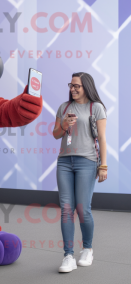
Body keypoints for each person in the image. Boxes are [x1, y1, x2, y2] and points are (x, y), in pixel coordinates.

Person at [52, 72, 107, 273]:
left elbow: (102, 138)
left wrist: (104, 166)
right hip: (64, 162)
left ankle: (87, 249)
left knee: (83, 209)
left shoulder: (96, 108)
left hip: (87, 162)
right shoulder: (64, 107)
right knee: (67, 209)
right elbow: (55, 133)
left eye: (77, 86)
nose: (72, 89)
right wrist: (64, 125)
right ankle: (68, 255)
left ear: (86, 87)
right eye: (71, 85)